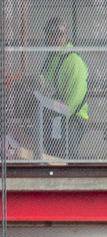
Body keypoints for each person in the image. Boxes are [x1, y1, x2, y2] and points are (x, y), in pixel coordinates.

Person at [37, 16, 91, 161]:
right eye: (51, 34)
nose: (55, 39)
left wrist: (60, 116)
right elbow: (45, 86)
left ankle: (71, 180)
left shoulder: (73, 61)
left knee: (66, 156)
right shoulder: (51, 59)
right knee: (53, 156)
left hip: (72, 119)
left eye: (59, 34)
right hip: (56, 116)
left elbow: (75, 99)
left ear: (65, 37)